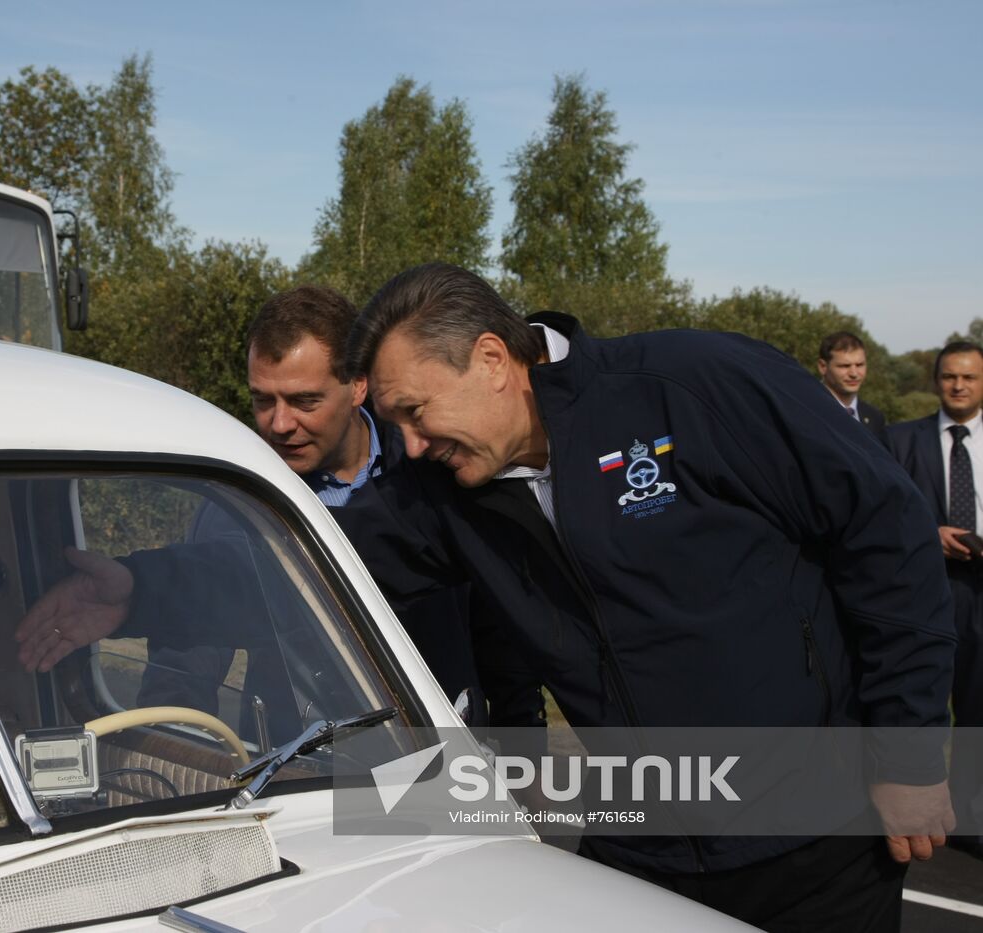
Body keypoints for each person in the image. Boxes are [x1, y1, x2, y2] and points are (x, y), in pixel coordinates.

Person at [326, 263, 955, 931]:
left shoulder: (693, 383)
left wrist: (908, 751)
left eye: (415, 413)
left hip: (819, 845)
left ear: (491, 358)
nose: (412, 446)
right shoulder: (439, 491)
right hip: (642, 858)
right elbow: (307, 560)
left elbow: (887, 529)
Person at [139, 285, 517, 722]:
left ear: (358, 385)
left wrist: (520, 740)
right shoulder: (238, 503)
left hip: (442, 759)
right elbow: (189, 647)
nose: (279, 424)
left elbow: (494, 625)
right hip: (303, 771)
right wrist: (171, 748)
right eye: (263, 399)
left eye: (304, 401)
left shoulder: (433, 469)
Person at [888, 340, 983, 860]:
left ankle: (969, 818)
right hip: (926, 592)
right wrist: (931, 531)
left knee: (977, 711)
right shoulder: (900, 441)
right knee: (917, 704)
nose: (959, 385)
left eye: (968, 376)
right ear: (936, 380)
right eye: (949, 376)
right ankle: (912, 810)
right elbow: (882, 512)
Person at [818, 331, 888, 444]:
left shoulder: (875, 417)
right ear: (823, 367)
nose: (854, 373)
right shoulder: (807, 411)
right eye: (845, 366)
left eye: (860, 365)